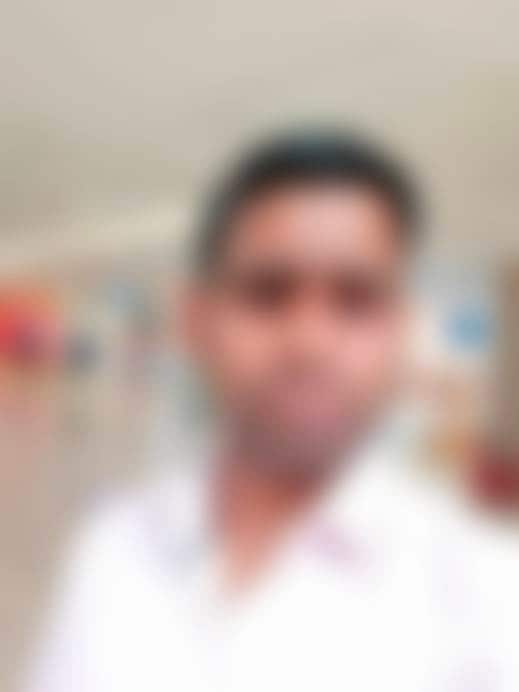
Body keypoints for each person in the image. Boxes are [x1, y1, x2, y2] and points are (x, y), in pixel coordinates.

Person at [24, 130, 517, 691]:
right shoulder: (115, 549)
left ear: (400, 331)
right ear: (198, 320)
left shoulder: (486, 599)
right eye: (267, 292)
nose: (310, 342)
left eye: (356, 299)